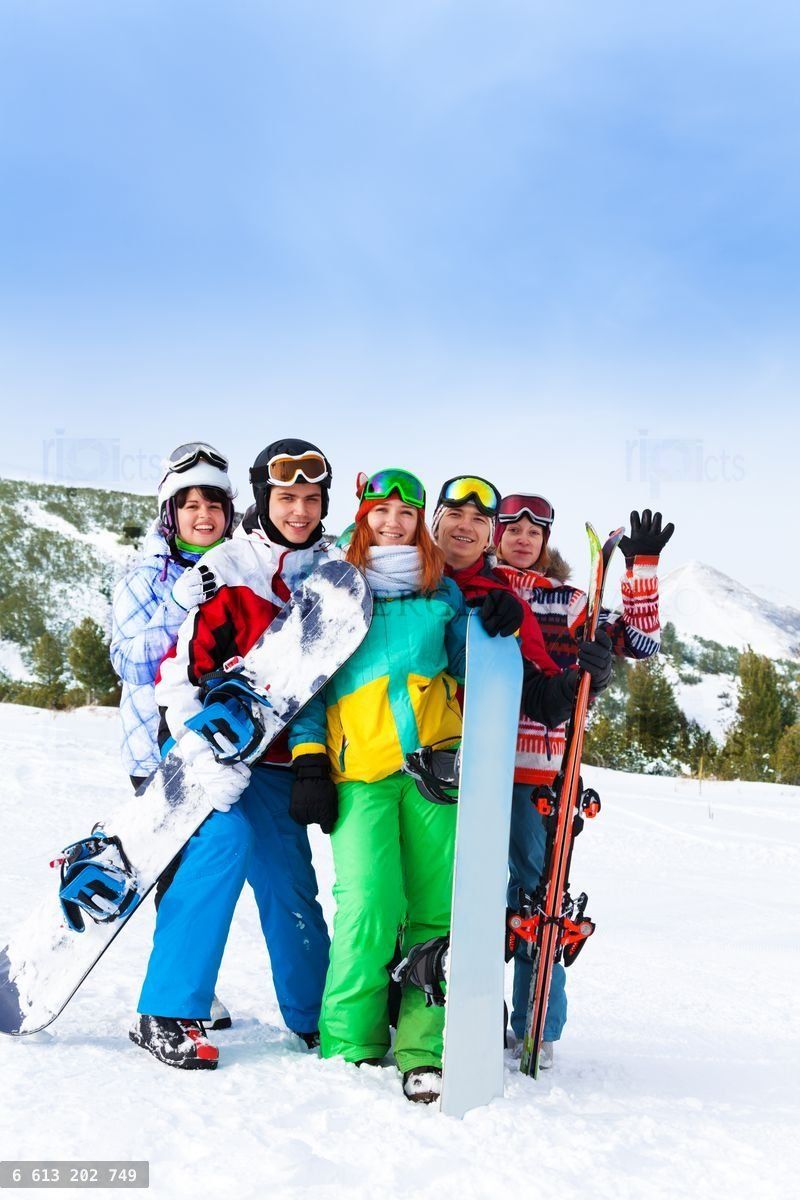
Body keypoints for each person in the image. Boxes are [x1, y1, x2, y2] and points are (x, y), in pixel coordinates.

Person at [288, 467, 523, 1105]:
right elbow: (306, 689)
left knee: (436, 911)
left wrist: (499, 622)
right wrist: (309, 761)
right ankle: (349, 1041)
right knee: (369, 905)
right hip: (360, 774)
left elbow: (475, 668)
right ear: (363, 517)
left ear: (421, 523)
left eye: (406, 513)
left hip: (433, 774)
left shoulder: (441, 591)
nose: (393, 522)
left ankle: (425, 1048)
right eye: (381, 511)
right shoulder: (331, 590)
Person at [128, 439, 335, 1070]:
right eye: (286, 497)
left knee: (288, 879)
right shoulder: (227, 567)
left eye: (311, 498)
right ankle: (167, 1011)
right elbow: (177, 673)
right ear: (263, 499)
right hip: (205, 746)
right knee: (223, 842)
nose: (298, 510)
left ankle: (319, 1016)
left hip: (275, 758)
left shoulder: (334, 574)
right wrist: (197, 751)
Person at [494, 496, 673, 1066]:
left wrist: (641, 572)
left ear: (547, 541)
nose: (524, 539)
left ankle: (537, 1023)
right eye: (513, 529)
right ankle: (471, 1010)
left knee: (537, 897)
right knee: (466, 894)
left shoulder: (571, 601)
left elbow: (641, 644)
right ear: (495, 534)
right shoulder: (474, 586)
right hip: (474, 764)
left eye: (535, 532)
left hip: (543, 769)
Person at [110, 442, 236, 1031]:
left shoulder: (238, 569)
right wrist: (178, 604)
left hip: (220, 743)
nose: (203, 516)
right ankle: (180, 990)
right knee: (176, 868)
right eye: (190, 505)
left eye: (214, 504)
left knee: (208, 866)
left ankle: (190, 983)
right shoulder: (145, 577)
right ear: (171, 512)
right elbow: (130, 662)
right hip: (155, 748)